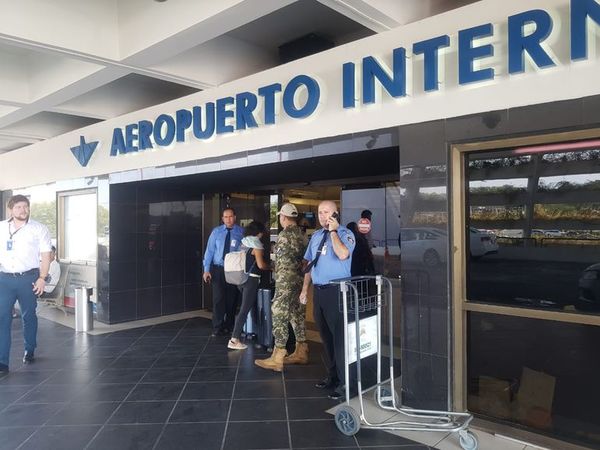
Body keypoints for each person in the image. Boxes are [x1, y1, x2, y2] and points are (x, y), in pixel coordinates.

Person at [300, 200, 355, 400]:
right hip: (320, 292)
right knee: (326, 338)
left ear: (336, 214)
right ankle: (332, 376)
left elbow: (343, 254)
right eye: (320, 212)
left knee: (340, 340)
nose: (323, 216)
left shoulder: (345, 235)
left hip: (338, 292)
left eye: (327, 212)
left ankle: (345, 383)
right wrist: (305, 289)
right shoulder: (315, 236)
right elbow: (309, 265)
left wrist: (333, 232)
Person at [0, 195, 52, 373]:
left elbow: (46, 255)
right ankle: (2, 362)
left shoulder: (39, 229)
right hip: (4, 279)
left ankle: (29, 349)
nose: (22, 210)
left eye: (25, 207)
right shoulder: (1, 227)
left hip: (29, 279)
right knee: (2, 318)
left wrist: (42, 278)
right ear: (10, 210)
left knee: (28, 316)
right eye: (18, 207)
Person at [255, 203, 307, 371]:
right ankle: (301, 350)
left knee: (278, 310)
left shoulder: (284, 235)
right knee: (296, 312)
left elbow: (282, 263)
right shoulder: (302, 235)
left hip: (286, 281)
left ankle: (278, 355)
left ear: (283, 217)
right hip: (299, 280)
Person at [228, 221, 270, 350]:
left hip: (241, 279)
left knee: (246, 307)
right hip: (251, 280)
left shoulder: (244, 242)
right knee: (244, 310)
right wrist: (272, 267)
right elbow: (261, 265)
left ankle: (252, 333)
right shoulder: (256, 244)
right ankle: (234, 339)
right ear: (259, 232)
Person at [203, 207, 244, 336]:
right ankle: (217, 326)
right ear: (222, 219)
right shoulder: (216, 232)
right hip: (218, 269)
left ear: (235, 217)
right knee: (218, 298)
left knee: (232, 299)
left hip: (233, 269)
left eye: (230, 216)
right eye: (225, 217)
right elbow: (209, 252)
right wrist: (206, 270)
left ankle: (230, 325)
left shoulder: (241, 232)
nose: (228, 219)